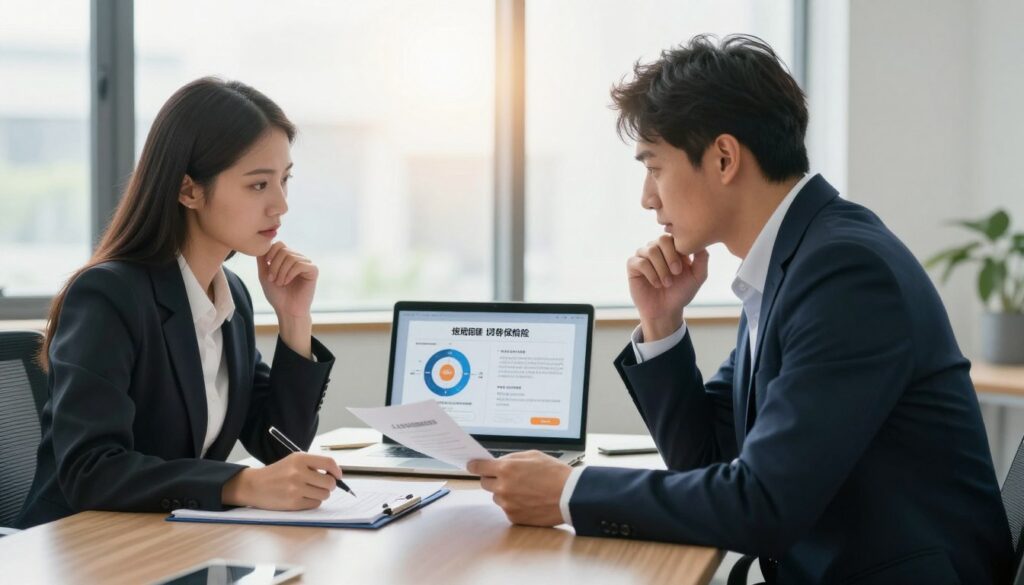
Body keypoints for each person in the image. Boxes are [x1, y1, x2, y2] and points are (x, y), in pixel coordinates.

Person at [468, 35, 1013, 584]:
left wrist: (569, 493)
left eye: (654, 167)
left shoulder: (844, 273)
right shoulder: (792, 261)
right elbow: (707, 461)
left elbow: (763, 504)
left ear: (724, 158)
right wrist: (662, 322)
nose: (647, 197)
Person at [17, 77, 344, 528]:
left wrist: (293, 318)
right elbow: (89, 469)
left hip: (168, 542)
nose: (280, 205)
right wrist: (241, 484)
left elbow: (278, 444)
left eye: (284, 181)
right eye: (258, 185)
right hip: (80, 550)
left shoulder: (232, 298)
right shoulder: (108, 296)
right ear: (189, 190)